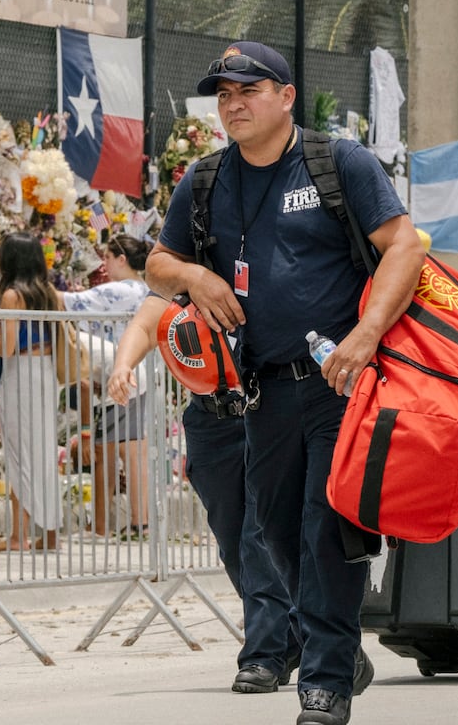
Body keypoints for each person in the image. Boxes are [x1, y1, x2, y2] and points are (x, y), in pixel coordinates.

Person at [148, 41, 425, 725]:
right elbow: (157, 262)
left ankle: (324, 684)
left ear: (287, 96)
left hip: (340, 384)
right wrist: (193, 276)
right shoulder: (206, 180)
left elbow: (405, 246)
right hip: (260, 390)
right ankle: (334, 643)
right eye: (224, 94)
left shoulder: (338, 163)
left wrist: (364, 339)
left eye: (248, 88)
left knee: (324, 527)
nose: (233, 103)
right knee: (271, 530)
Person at [107, 293, 299, 694]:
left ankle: (263, 654)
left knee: (256, 538)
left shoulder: (254, 265)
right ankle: (290, 636)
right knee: (231, 542)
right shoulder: (179, 278)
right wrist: (123, 367)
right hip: (209, 420)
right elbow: (144, 325)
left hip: (263, 410)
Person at [63, 234, 152, 537]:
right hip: (140, 374)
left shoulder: (121, 290)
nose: (105, 263)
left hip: (124, 377)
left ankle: (138, 523)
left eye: (108, 257)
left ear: (121, 259)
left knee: (122, 450)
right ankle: (139, 522)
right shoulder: (146, 289)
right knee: (132, 450)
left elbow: (72, 303)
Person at [0, 231, 74, 552]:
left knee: (18, 454)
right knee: (43, 452)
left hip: (21, 375)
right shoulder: (49, 292)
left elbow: (7, 348)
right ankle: (50, 532)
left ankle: (17, 536)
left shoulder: (12, 295)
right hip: (46, 374)